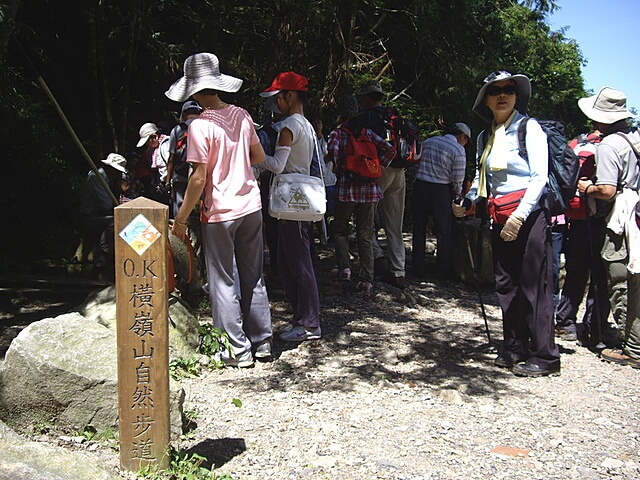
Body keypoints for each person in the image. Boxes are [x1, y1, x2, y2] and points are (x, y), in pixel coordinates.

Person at [166, 52, 272, 368]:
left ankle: (236, 351)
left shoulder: (199, 126)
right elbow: (258, 157)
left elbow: (198, 178)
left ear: (193, 91)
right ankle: (263, 342)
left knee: (223, 281)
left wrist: (181, 218)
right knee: (254, 275)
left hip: (220, 212)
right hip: (251, 205)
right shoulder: (241, 114)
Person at [452, 70, 561, 377]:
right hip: (499, 217)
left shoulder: (530, 128)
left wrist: (520, 216)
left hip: (529, 216)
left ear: (516, 95)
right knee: (506, 284)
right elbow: (481, 183)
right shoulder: (485, 137)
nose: (503, 95)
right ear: (486, 100)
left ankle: (545, 355)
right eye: (495, 90)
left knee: (533, 286)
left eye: (509, 89)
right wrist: (468, 201)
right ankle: (514, 346)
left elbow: (539, 177)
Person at [576, 87, 640, 368]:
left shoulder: (610, 144)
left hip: (621, 218)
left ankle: (632, 346)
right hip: (636, 215)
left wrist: (587, 187)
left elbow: (608, 189)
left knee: (619, 277)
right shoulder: (636, 138)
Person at [259, 71, 322, 342]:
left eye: (278, 98)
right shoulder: (306, 124)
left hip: (292, 203)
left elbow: (277, 165)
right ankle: (301, 319)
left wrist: (255, 155)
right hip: (295, 204)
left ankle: (309, 324)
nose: (276, 104)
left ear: (290, 96)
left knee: (298, 264)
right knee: (287, 263)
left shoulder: (289, 126)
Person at [327, 95, 396, 293]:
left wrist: (345, 166)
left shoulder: (338, 134)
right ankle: (367, 279)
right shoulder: (368, 134)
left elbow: (334, 156)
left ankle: (345, 269)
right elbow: (390, 150)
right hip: (370, 191)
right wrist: (374, 166)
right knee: (365, 235)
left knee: (340, 230)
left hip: (346, 189)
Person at [554, 130, 610, 344]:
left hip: (578, 216)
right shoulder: (611, 143)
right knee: (600, 272)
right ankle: (594, 327)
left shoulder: (577, 142)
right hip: (601, 214)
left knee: (576, 270)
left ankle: (564, 321)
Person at [356, 81, 407, 288]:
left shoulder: (367, 118)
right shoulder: (394, 116)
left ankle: (375, 259)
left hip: (379, 169)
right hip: (400, 170)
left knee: (366, 217)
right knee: (395, 223)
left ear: (368, 97)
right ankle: (399, 271)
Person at [412, 122, 471, 279]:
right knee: (443, 230)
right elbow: (457, 177)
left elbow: (415, 162)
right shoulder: (458, 150)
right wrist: (459, 196)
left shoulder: (429, 141)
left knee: (419, 227)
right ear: (462, 136)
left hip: (420, 185)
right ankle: (442, 270)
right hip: (440, 190)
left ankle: (417, 266)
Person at [79, 153, 129, 281]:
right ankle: (102, 259)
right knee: (114, 223)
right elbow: (107, 204)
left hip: (99, 216)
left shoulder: (104, 179)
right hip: (90, 218)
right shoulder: (97, 178)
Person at [167, 100, 202, 218]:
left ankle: (181, 235)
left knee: (180, 210)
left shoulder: (177, 130)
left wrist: (168, 182)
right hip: (200, 175)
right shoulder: (206, 128)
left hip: (180, 176)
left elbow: (171, 158)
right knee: (199, 209)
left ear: (183, 114)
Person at [135, 122, 170, 204]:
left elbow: (171, 164)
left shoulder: (166, 145)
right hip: (158, 184)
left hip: (168, 184)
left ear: (155, 137)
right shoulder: (150, 150)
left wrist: (168, 184)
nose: (147, 144)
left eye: (148, 141)